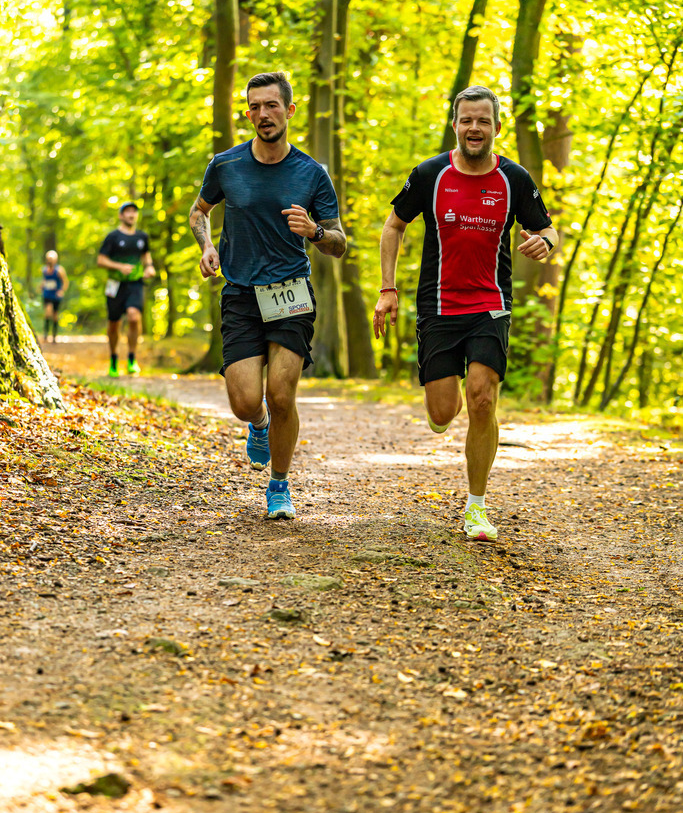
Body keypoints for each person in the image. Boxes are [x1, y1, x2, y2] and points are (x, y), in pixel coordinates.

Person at [374, 85, 558, 542]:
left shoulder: (514, 178)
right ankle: (442, 407)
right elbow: (394, 225)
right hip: (438, 306)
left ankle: (475, 507)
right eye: (466, 120)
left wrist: (545, 242)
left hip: (490, 304)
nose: (474, 128)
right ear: (455, 124)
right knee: (444, 412)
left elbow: (548, 228)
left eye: (483, 121)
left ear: (496, 126)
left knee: (482, 397)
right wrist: (388, 288)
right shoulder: (430, 174)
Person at [189, 70, 346, 520]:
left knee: (281, 394)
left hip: (291, 292)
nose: (263, 114)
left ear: (289, 110)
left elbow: (339, 242)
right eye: (254, 107)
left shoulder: (312, 173)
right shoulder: (226, 164)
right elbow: (199, 211)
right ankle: (257, 426)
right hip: (240, 291)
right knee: (245, 402)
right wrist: (207, 246)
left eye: (271, 105)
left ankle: (279, 485)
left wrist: (314, 231)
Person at [97, 202, 155, 377]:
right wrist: (119, 267)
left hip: (135, 284)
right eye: (127, 212)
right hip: (115, 285)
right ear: (121, 216)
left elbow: (146, 255)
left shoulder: (142, 237)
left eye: (134, 212)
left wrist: (149, 267)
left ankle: (131, 358)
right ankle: (114, 359)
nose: (131, 215)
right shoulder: (112, 237)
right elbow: (101, 260)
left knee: (134, 316)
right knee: (114, 324)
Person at [41, 250, 68, 343]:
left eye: (51, 259)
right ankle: (45, 335)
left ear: (55, 260)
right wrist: (41, 286)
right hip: (47, 294)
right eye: (48, 259)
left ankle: (54, 336)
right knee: (47, 313)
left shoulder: (59, 270)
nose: (50, 261)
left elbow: (65, 282)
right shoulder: (44, 270)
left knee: (55, 315)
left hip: (55, 295)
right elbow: (45, 280)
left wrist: (61, 291)